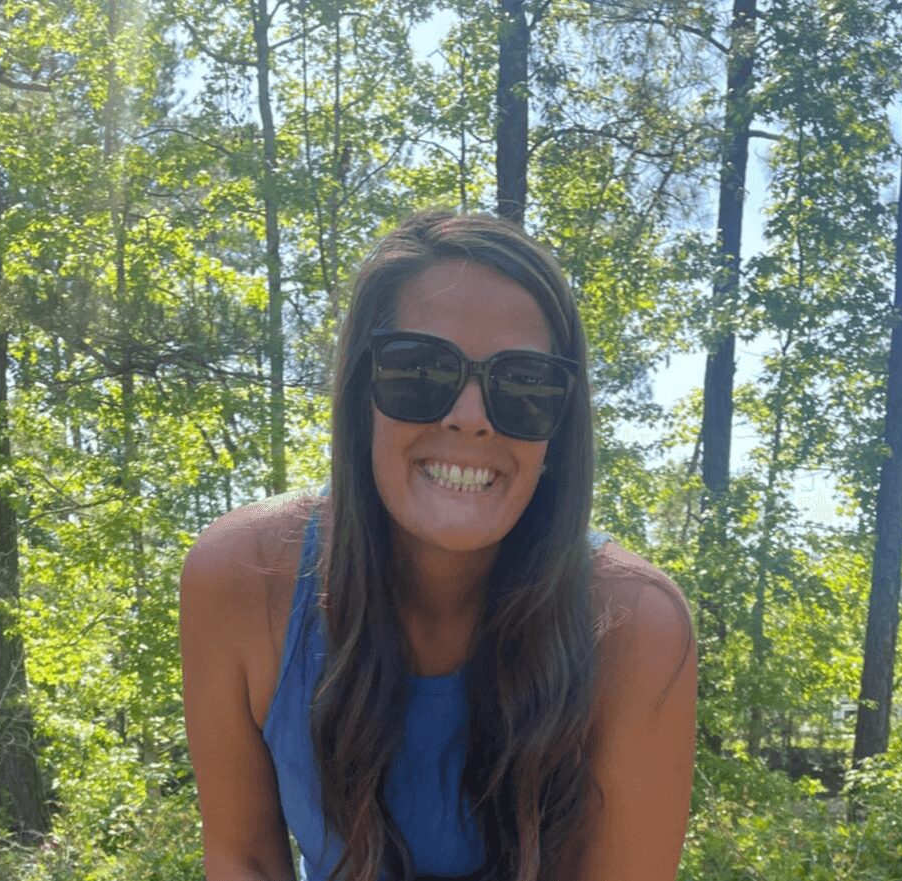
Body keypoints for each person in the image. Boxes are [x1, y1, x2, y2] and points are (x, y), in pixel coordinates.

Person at [179, 210, 697, 881]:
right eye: (420, 371)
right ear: (362, 392)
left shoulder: (636, 627)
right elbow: (242, 856)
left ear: (559, 430)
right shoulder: (243, 579)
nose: (470, 416)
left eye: (523, 384)